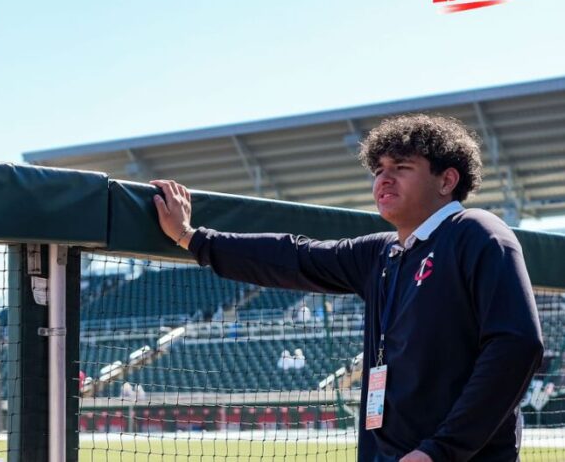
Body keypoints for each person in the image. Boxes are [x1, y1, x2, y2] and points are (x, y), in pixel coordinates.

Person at [151, 114, 543, 462]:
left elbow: (517, 345)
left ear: (447, 179)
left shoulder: (476, 233)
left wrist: (439, 450)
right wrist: (191, 238)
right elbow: (294, 257)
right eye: (378, 170)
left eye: (401, 167)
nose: (384, 178)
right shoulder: (381, 253)